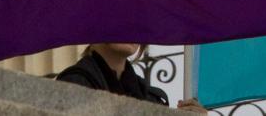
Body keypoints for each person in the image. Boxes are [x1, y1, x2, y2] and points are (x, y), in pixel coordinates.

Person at [53, 43, 207, 113]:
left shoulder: (152, 99)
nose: (130, 26)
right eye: (121, 15)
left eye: (138, 20)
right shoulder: (74, 83)